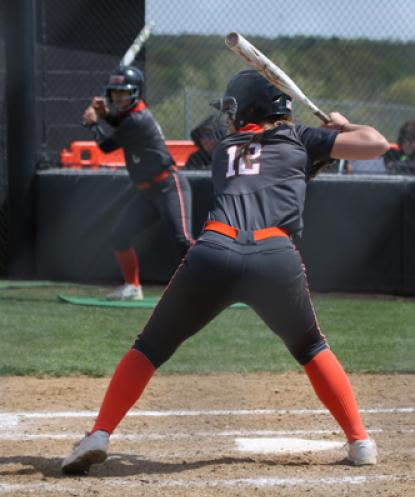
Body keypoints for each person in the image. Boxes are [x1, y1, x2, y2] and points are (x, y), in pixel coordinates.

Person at [62, 69, 389, 475]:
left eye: (234, 109)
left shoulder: (226, 148)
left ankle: (99, 433)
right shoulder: (301, 138)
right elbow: (375, 144)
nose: (229, 119)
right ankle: (360, 441)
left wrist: (325, 140)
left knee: (149, 347)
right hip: (274, 256)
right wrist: (342, 127)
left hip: (214, 252)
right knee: (311, 348)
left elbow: (273, 166)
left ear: (251, 110)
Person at [82, 65, 193, 300]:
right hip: (148, 190)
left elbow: (107, 146)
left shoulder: (138, 119)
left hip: (168, 185)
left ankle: (214, 286)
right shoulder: (131, 116)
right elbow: (120, 123)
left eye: (124, 92)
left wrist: (94, 123)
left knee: (183, 241)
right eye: (115, 93)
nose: (118, 97)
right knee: (121, 234)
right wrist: (105, 115)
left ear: (136, 93)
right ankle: (132, 287)